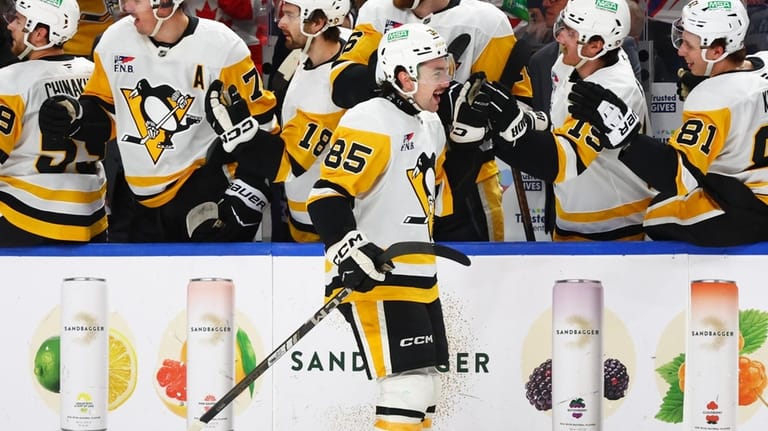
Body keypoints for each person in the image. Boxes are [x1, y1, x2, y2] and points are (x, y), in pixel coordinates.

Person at [307, 22, 455, 429]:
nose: (446, 81)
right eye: (436, 72)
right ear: (404, 76)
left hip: (420, 276)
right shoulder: (370, 118)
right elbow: (326, 195)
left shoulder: (430, 124)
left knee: (426, 388)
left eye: (447, 69)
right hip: (377, 275)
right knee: (407, 388)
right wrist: (348, 248)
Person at [38, 0, 279, 242]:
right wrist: (77, 117)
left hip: (203, 193)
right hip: (137, 201)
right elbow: (107, 112)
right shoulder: (114, 40)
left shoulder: (223, 47)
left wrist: (248, 194)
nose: (126, 7)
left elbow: (263, 126)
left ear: (165, 3)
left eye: (135, 0)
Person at [330, 0, 534, 242]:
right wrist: (436, 92)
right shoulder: (377, 11)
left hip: (467, 178)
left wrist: (474, 109)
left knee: (472, 266)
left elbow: (518, 110)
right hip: (388, 177)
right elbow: (342, 87)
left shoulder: (488, 22)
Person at [568, 0, 768, 246]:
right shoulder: (763, 62)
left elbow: (677, 176)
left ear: (717, 52)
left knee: (657, 214)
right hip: (756, 188)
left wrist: (626, 134)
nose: (681, 51)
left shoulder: (711, 97)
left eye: (689, 45)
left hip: (753, 209)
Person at [488, 0, 653, 241]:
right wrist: (524, 119)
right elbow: (559, 124)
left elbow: (563, 161)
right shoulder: (574, 62)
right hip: (570, 219)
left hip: (616, 229)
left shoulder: (614, 89)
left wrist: (505, 131)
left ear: (596, 45)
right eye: (564, 26)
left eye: (571, 33)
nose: (560, 37)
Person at [0, 0, 107, 246]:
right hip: (92, 218)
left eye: (18, 20)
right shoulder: (94, 74)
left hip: (23, 218)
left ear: (39, 33)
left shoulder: (10, 82)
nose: (10, 26)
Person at [272, 0, 351, 242]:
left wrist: (238, 133)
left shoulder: (324, 97)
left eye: (289, 15)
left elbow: (285, 164)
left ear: (317, 23)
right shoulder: (346, 41)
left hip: (319, 221)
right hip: (308, 204)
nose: (280, 22)